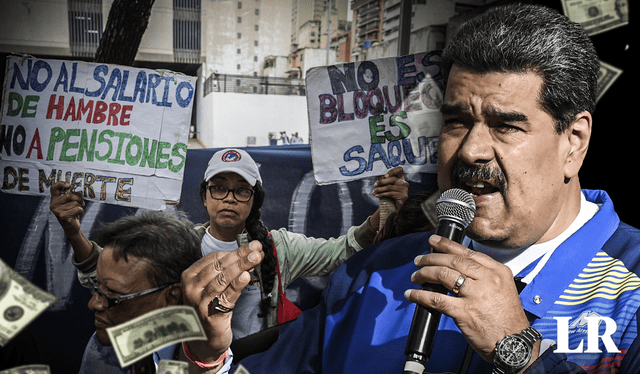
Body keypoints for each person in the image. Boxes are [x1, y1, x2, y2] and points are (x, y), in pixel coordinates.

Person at [178, 3, 640, 373]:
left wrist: (520, 352)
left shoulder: (630, 292)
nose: (471, 151)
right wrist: (209, 358)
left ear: (573, 143)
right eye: (456, 122)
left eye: (506, 126)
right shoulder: (374, 274)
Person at [50, 148, 408, 339]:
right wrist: (72, 230)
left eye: (241, 190)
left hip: (257, 363)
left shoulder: (277, 247)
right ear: (204, 196)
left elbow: (343, 250)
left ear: (255, 199)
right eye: (218, 187)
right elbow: (104, 277)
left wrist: (386, 208)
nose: (229, 198)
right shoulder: (178, 244)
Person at [74, 211, 202, 373]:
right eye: (98, 287)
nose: (93, 304)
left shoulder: (204, 359)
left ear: (171, 297)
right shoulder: (104, 346)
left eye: (113, 293)